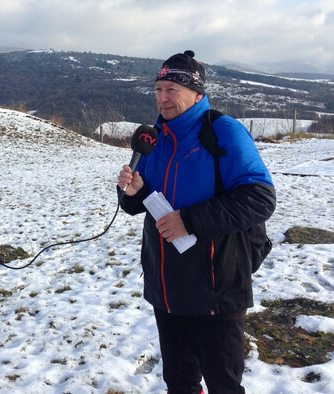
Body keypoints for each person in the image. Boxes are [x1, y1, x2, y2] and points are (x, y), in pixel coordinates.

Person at [117, 50, 276, 393]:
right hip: (167, 284)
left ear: (197, 93)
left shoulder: (223, 132)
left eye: (171, 89)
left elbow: (260, 199)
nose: (162, 98)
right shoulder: (153, 138)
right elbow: (140, 204)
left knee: (224, 384)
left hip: (217, 287)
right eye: (158, 89)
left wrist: (188, 220)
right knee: (179, 381)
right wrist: (131, 192)